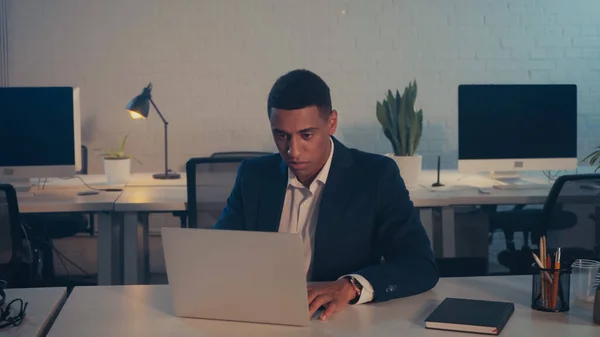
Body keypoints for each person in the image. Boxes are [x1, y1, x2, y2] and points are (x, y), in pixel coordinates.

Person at [214, 69, 439, 320]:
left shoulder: (375, 176)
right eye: (281, 135)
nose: (293, 150)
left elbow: (419, 265)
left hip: (340, 321)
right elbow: (219, 251)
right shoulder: (253, 176)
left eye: (306, 135)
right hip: (262, 316)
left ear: (331, 123)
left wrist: (351, 286)